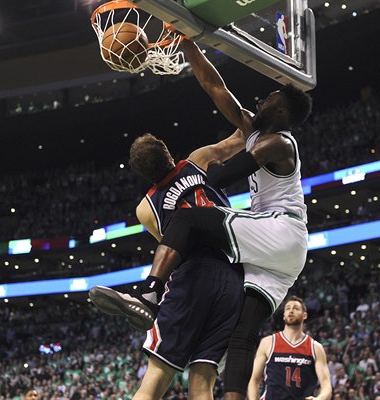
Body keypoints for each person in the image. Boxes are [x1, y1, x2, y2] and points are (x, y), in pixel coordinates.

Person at [91, 38, 312, 400]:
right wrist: (186, 41)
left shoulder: (280, 143)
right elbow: (214, 86)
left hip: (279, 229)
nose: (260, 99)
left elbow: (223, 177)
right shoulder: (246, 136)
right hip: (265, 258)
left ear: (283, 112)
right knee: (239, 338)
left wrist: (186, 179)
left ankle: (148, 295)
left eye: (269, 97)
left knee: (192, 218)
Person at [90, 132, 245, 399]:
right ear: (169, 152)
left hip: (193, 276)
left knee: (156, 378)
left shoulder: (145, 209)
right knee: (203, 379)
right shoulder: (198, 160)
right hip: (234, 272)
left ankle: (148, 295)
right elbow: (239, 139)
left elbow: (171, 245)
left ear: (143, 175)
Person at [248, 296, 332, 400]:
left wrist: (319, 399)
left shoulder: (315, 347)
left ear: (304, 315)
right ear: (284, 315)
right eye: (288, 308)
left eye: (296, 308)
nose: (291, 311)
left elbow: (326, 384)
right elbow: (254, 379)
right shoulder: (268, 342)